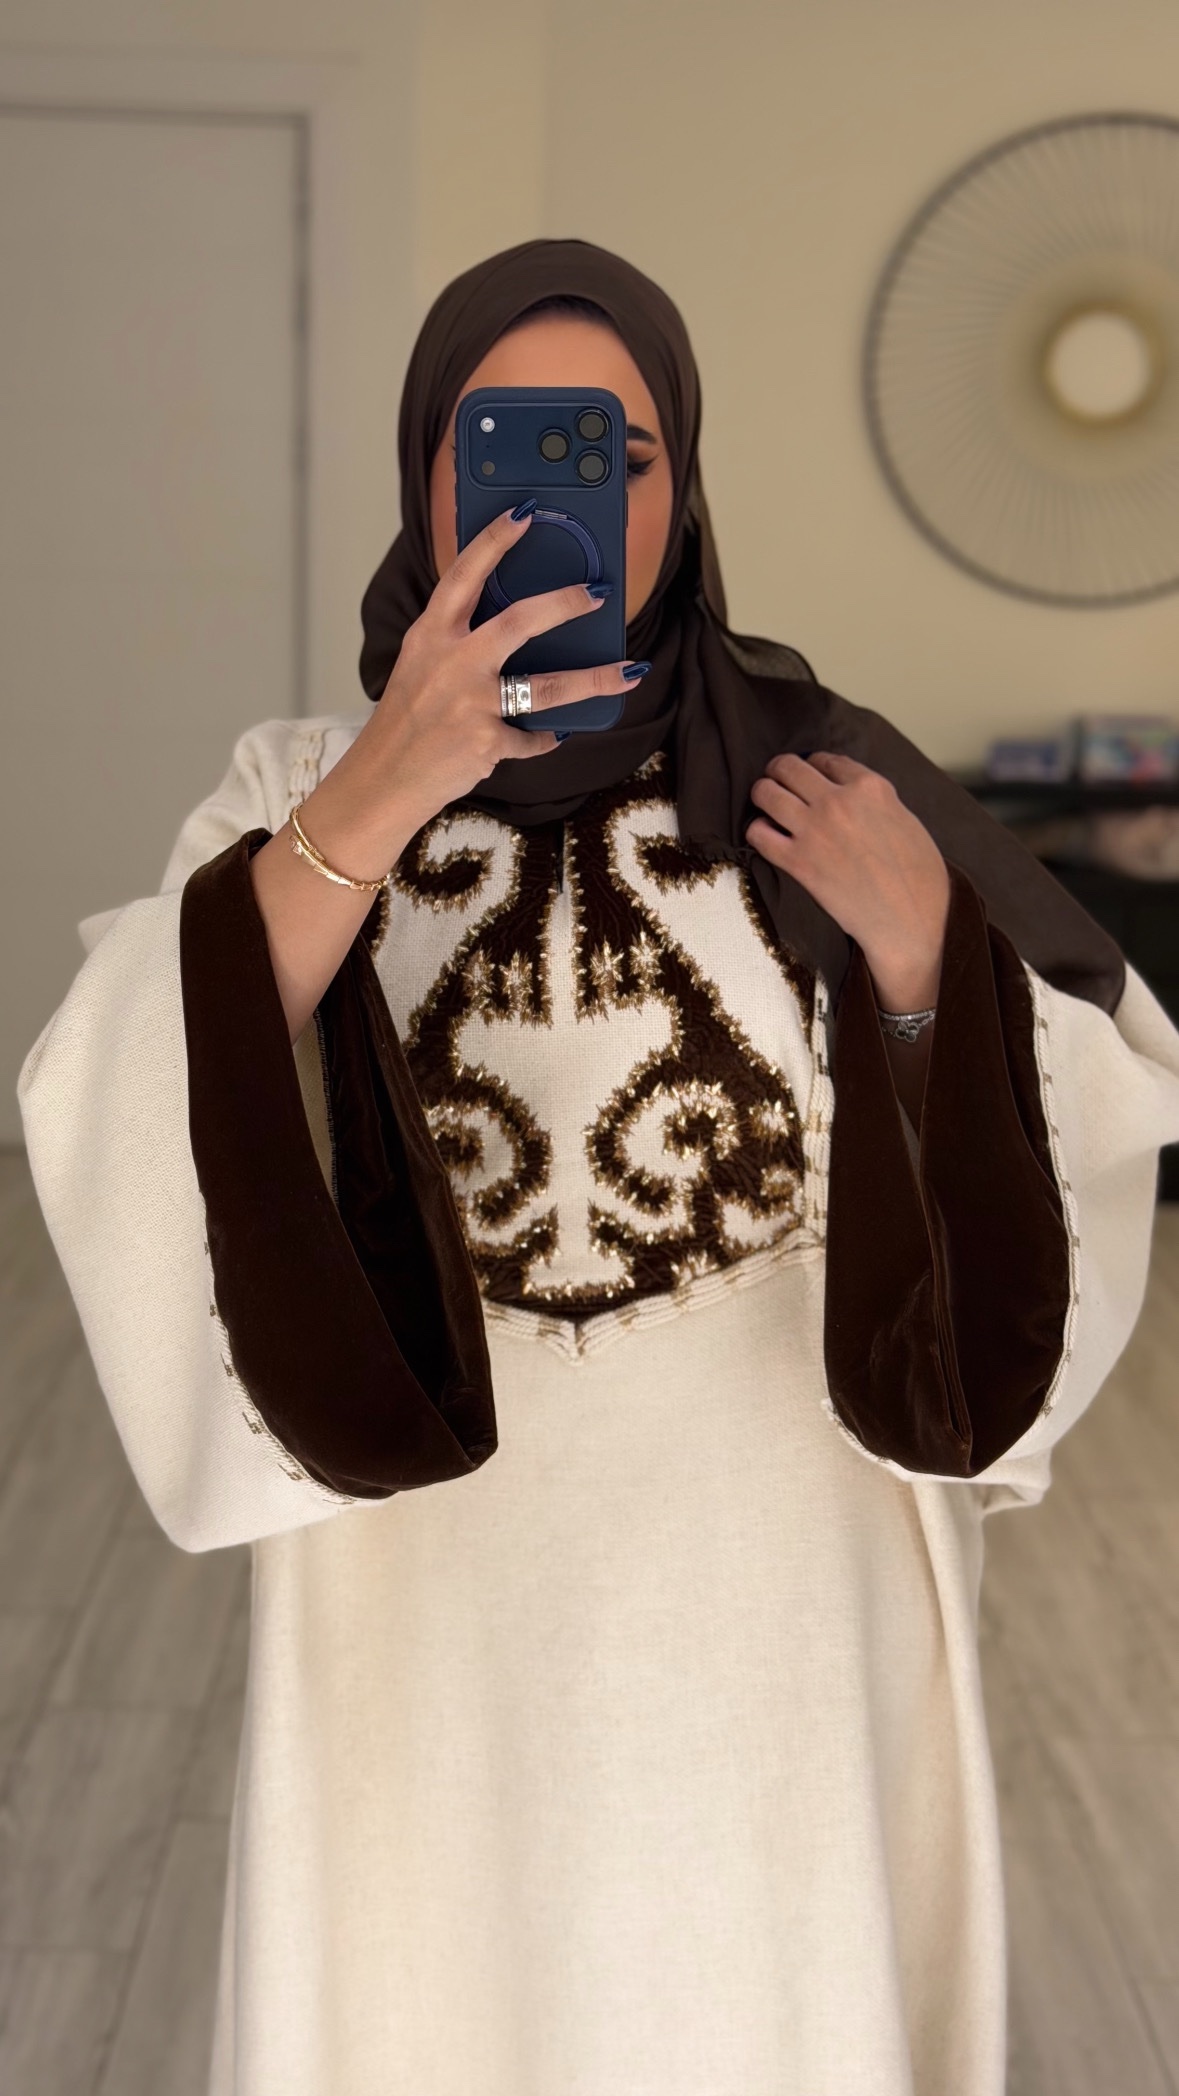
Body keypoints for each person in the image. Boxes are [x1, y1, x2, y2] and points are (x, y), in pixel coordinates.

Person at [19, 238, 1179, 2096]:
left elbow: (1107, 1075)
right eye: (498, 447)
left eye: (617, 455)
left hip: (780, 1595)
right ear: (427, 478)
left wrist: (917, 952)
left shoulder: (829, 779)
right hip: (427, 1602)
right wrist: (370, 802)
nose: (564, 501)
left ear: (683, 483)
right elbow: (119, 1083)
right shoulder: (300, 783)